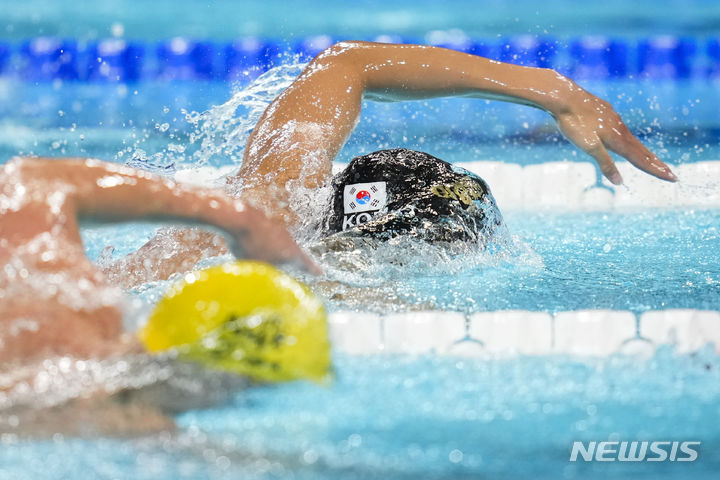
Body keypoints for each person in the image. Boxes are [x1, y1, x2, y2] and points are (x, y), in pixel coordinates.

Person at [0, 41, 677, 433]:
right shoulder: (339, 290)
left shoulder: (273, 202)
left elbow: (342, 66)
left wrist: (550, 88)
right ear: (419, 250)